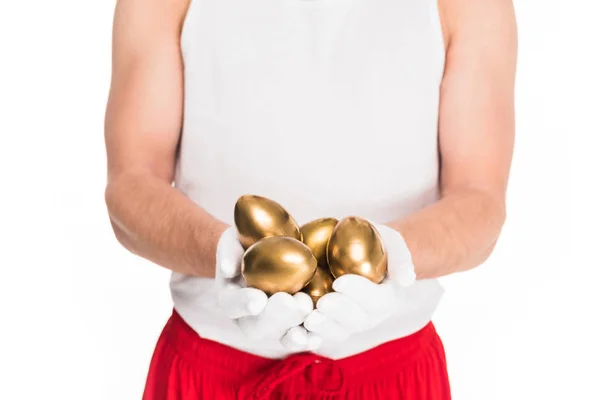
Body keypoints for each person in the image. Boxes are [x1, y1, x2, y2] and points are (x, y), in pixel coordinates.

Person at [103, 0, 517, 397]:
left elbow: (479, 198)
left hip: (392, 374)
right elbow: (131, 182)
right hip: (208, 373)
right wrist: (222, 255)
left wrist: (394, 257)